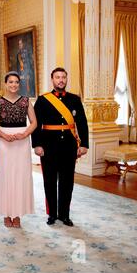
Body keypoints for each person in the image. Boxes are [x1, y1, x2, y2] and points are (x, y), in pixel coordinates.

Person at [31, 67, 89, 227]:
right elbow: (36, 124)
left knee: (67, 182)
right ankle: (52, 214)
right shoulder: (43, 100)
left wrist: (84, 144)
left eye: (63, 77)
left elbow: (82, 123)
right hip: (48, 147)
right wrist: (36, 144)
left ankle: (64, 214)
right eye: (58, 77)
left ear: (66, 79)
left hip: (68, 146)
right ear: (52, 79)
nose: (61, 80)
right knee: (49, 181)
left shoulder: (74, 99)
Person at [0, 71, 37, 228]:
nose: (13, 85)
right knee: (5, 176)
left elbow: (34, 122)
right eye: (10, 82)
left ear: (19, 84)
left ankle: (17, 214)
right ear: (5, 84)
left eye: (16, 82)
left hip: (21, 142)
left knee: (20, 176)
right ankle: (6, 213)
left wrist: (24, 134)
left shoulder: (26, 101)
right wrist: (3, 135)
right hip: (4, 142)